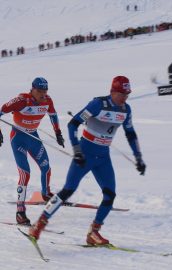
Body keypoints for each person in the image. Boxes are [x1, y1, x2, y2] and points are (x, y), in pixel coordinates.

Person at [29, 75, 146, 245]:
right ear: (113, 91)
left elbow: (130, 133)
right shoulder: (98, 104)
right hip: (85, 153)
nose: (124, 98)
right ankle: (38, 225)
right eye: (122, 94)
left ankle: (94, 232)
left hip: (103, 157)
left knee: (110, 195)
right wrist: (77, 150)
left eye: (127, 94)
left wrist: (139, 158)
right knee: (67, 191)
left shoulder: (125, 110)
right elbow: (73, 124)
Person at [0, 77, 65, 225]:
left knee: (46, 167)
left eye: (45, 91)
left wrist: (58, 133)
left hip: (33, 137)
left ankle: (46, 193)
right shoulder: (21, 100)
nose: (43, 94)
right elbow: (1, 111)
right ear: (32, 89)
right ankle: (20, 211)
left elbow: (53, 115)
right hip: (19, 138)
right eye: (40, 91)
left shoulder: (47, 100)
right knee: (25, 173)